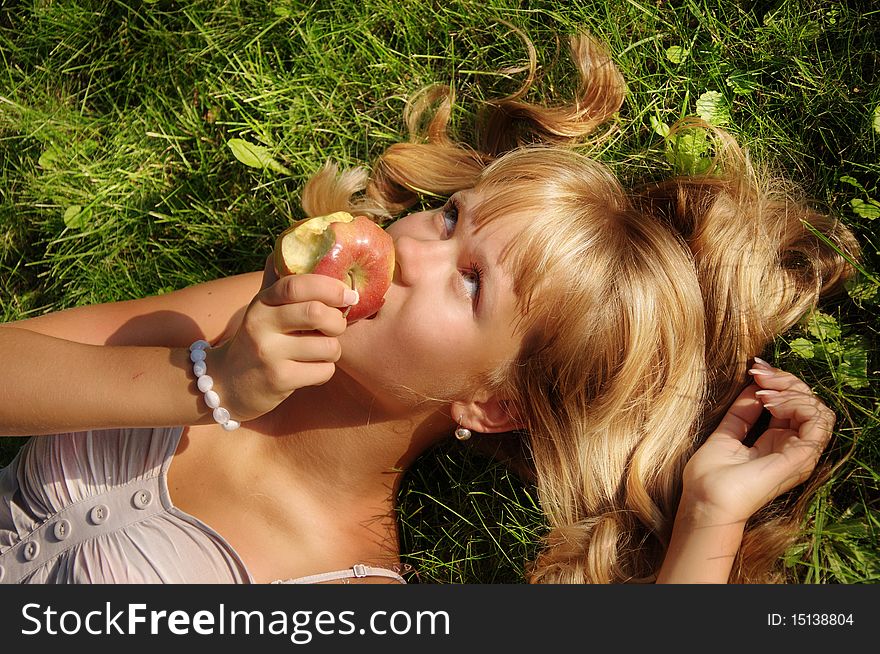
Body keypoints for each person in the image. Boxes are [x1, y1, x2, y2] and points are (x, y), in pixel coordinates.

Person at [0, 32, 860, 584]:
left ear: (491, 404)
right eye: (450, 218)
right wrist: (203, 383)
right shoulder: (237, 326)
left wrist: (709, 518)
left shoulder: (345, 588)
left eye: (472, 279)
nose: (409, 245)